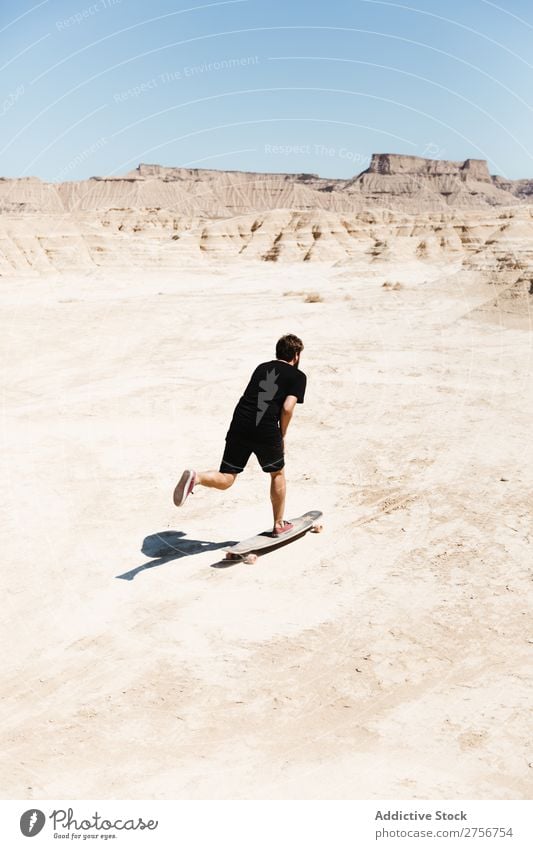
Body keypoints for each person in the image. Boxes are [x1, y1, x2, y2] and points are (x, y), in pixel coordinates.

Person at [174, 333, 307, 536]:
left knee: (227, 477)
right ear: (296, 355)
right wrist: (282, 434)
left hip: (240, 422)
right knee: (277, 473)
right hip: (266, 428)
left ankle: (197, 477)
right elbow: (288, 408)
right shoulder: (298, 376)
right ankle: (279, 524)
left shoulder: (262, 367)